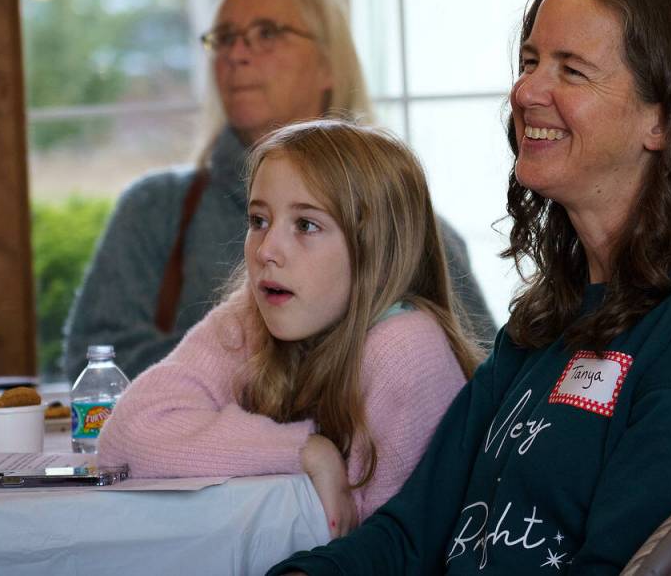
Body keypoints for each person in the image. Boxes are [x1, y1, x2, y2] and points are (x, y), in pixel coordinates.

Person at [267, 0, 671, 576]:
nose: (525, 92)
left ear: (663, 119)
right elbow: (408, 536)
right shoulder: (547, 320)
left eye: (571, 70)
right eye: (529, 62)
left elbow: (627, 567)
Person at [63, 0, 495, 382]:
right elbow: (96, 366)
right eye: (225, 38)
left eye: (266, 33)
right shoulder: (155, 208)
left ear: (329, 63)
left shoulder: (410, 226)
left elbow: (478, 374)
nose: (236, 54)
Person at [99, 120, 482, 535]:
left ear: (376, 249)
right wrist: (304, 450)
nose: (266, 251)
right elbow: (128, 436)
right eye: (259, 220)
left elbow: (394, 551)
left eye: (306, 225)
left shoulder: (405, 349)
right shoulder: (256, 313)